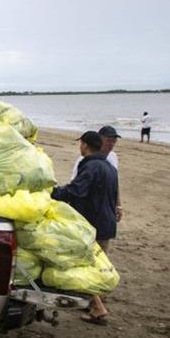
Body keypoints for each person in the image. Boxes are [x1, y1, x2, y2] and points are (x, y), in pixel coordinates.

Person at [52, 131, 118, 325]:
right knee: (98, 265)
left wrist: (52, 192)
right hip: (107, 223)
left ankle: (98, 309)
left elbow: (76, 190)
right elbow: (113, 196)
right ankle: (97, 303)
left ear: (85, 145)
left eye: (80, 143)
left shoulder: (90, 166)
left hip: (92, 224)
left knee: (84, 266)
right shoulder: (109, 167)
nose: (79, 147)